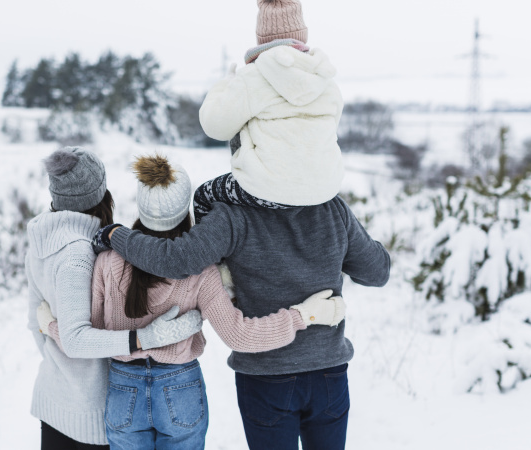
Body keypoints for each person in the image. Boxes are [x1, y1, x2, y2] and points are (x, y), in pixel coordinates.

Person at [89, 4, 390, 446]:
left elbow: (176, 259)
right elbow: (377, 271)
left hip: (267, 376)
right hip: (328, 370)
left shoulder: (232, 215)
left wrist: (116, 234)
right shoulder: (333, 210)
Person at [87, 155, 346, 449]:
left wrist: (53, 326)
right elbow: (240, 335)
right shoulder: (203, 271)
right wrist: (303, 315)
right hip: (179, 386)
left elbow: (93, 334)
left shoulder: (107, 261)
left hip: (123, 388)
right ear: (185, 209)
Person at [25, 147, 205, 449]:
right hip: (88, 410)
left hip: (54, 399)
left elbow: (36, 323)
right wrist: (143, 338)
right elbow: (76, 339)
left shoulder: (41, 241)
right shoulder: (78, 254)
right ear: (101, 196)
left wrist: (60, 365)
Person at [194, 0, 344, 222]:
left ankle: (218, 256)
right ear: (301, 35)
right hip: (325, 189)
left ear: (261, 38)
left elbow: (214, 126)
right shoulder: (326, 81)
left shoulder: (253, 77)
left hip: (265, 188)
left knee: (204, 195)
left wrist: (225, 83)